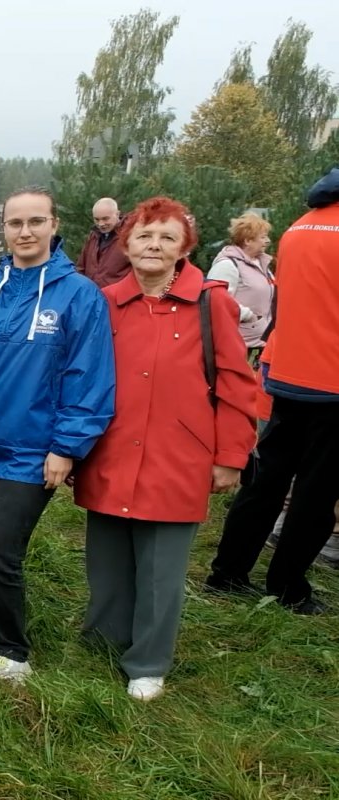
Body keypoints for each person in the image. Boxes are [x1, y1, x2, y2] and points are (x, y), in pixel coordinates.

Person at [73, 196, 255, 702]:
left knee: (161, 569)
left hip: (179, 455)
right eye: (144, 236)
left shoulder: (211, 303)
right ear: (126, 244)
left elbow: (238, 385)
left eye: (167, 237)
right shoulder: (105, 302)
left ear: (184, 249)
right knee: (106, 556)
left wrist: (230, 455)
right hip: (111, 451)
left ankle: (148, 661)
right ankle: (104, 640)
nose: (154, 245)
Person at [0, 186, 115, 682]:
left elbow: (89, 375)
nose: (25, 232)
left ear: (54, 225)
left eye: (36, 221)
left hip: (34, 452)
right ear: (5, 229)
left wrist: (66, 446)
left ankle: (14, 651)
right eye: (15, 223)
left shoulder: (79, 295)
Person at [206, 167, 339, 614]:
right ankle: (287, 586)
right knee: (316, 496)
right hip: (333, 383)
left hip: (286, 374)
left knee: (265, 480)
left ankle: (227, 571)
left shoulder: (302, 227)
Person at [207, 212, 275, 355]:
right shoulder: (227, 264)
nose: (267, 241)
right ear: (247, 240)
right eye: (262, 237)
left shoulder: (263, 264)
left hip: (262, 343)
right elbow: (216, 301)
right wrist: (248, 315)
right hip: (237, 344)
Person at [77, 197, 130, 288]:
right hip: (92, 296)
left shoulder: (129, 236)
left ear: (117, 214)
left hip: (118, 298)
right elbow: (81, 268)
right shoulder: (93, 237)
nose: (101, 224)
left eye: (105, 219)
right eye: (96, 219)